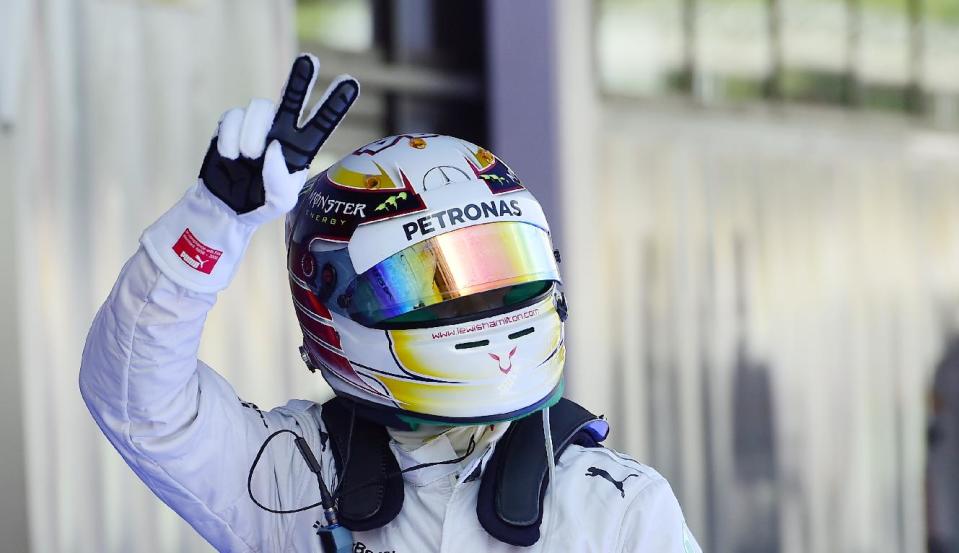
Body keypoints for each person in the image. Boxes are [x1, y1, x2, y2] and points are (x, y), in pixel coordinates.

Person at [80, 54, 702, 553]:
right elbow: (137, 398)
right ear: (335, 311)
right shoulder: (290, 477)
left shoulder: (618, 509)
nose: (484, 302)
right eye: (431, 285)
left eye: (501, 269)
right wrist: (212, 220)